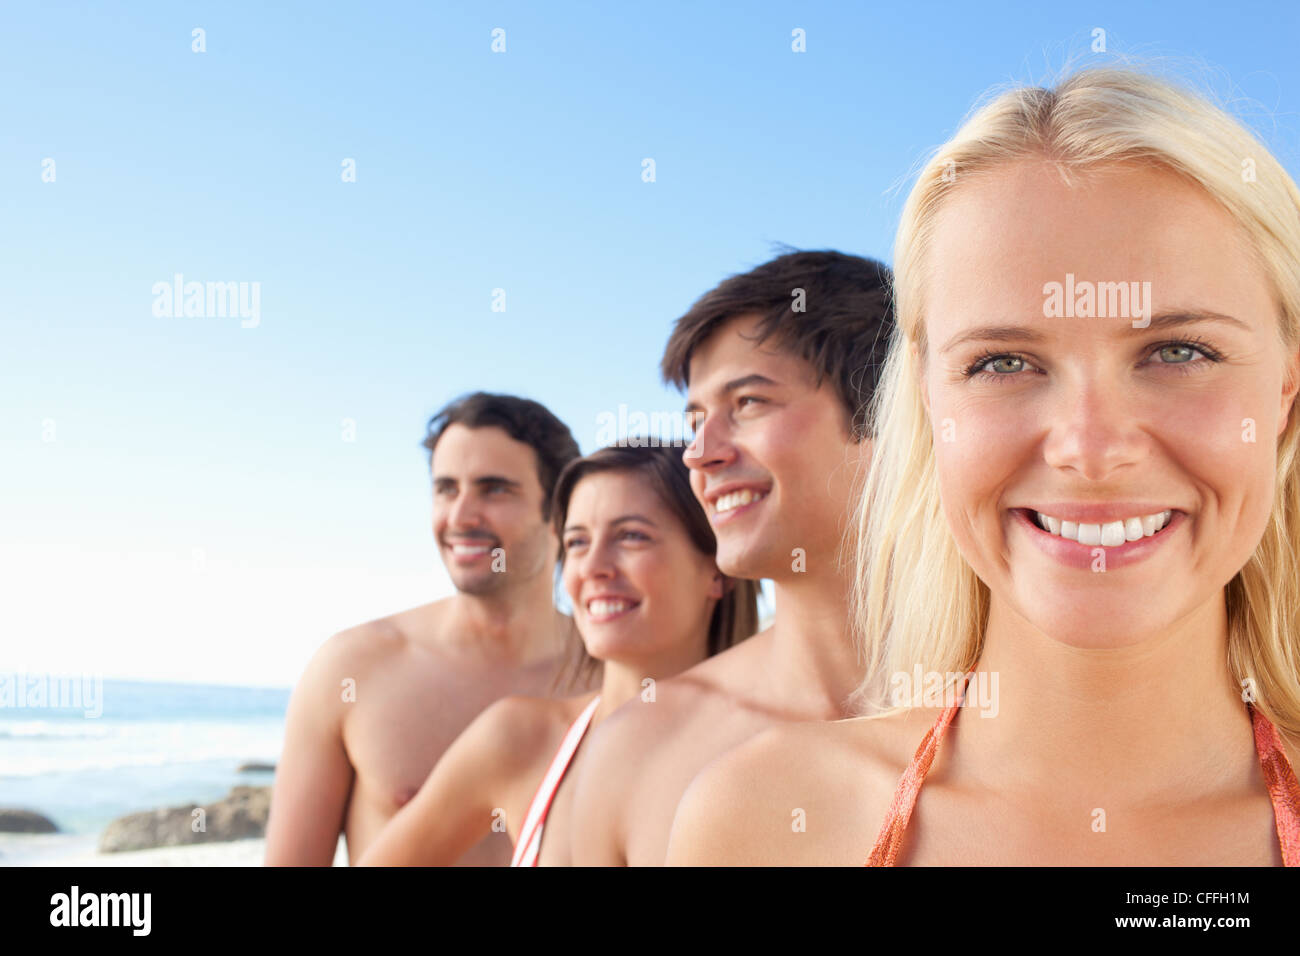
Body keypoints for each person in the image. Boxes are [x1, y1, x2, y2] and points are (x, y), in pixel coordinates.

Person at [667, 67, 1300, 866]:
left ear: (1285, 387)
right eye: (1004, 362)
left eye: (1179, 351)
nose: (1091, 449)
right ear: (927, 399)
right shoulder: (765, 824)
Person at [568, 250, 895, 865]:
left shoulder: (1034, 707)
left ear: (887, 419)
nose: (699, 453)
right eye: (695, 419)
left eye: (747, 403)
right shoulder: (640, 745)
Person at [356, 444, 759, 866]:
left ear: (718, 570)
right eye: (578, 542)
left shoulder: (762, 752)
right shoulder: (522, 740)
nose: (593, 567)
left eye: (631, 536)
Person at [265, 392, 585, 866]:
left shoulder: (611, 675)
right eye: (446, 489)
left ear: (559, 509)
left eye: (494, 489)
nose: (460, 517)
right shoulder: (352, 669)